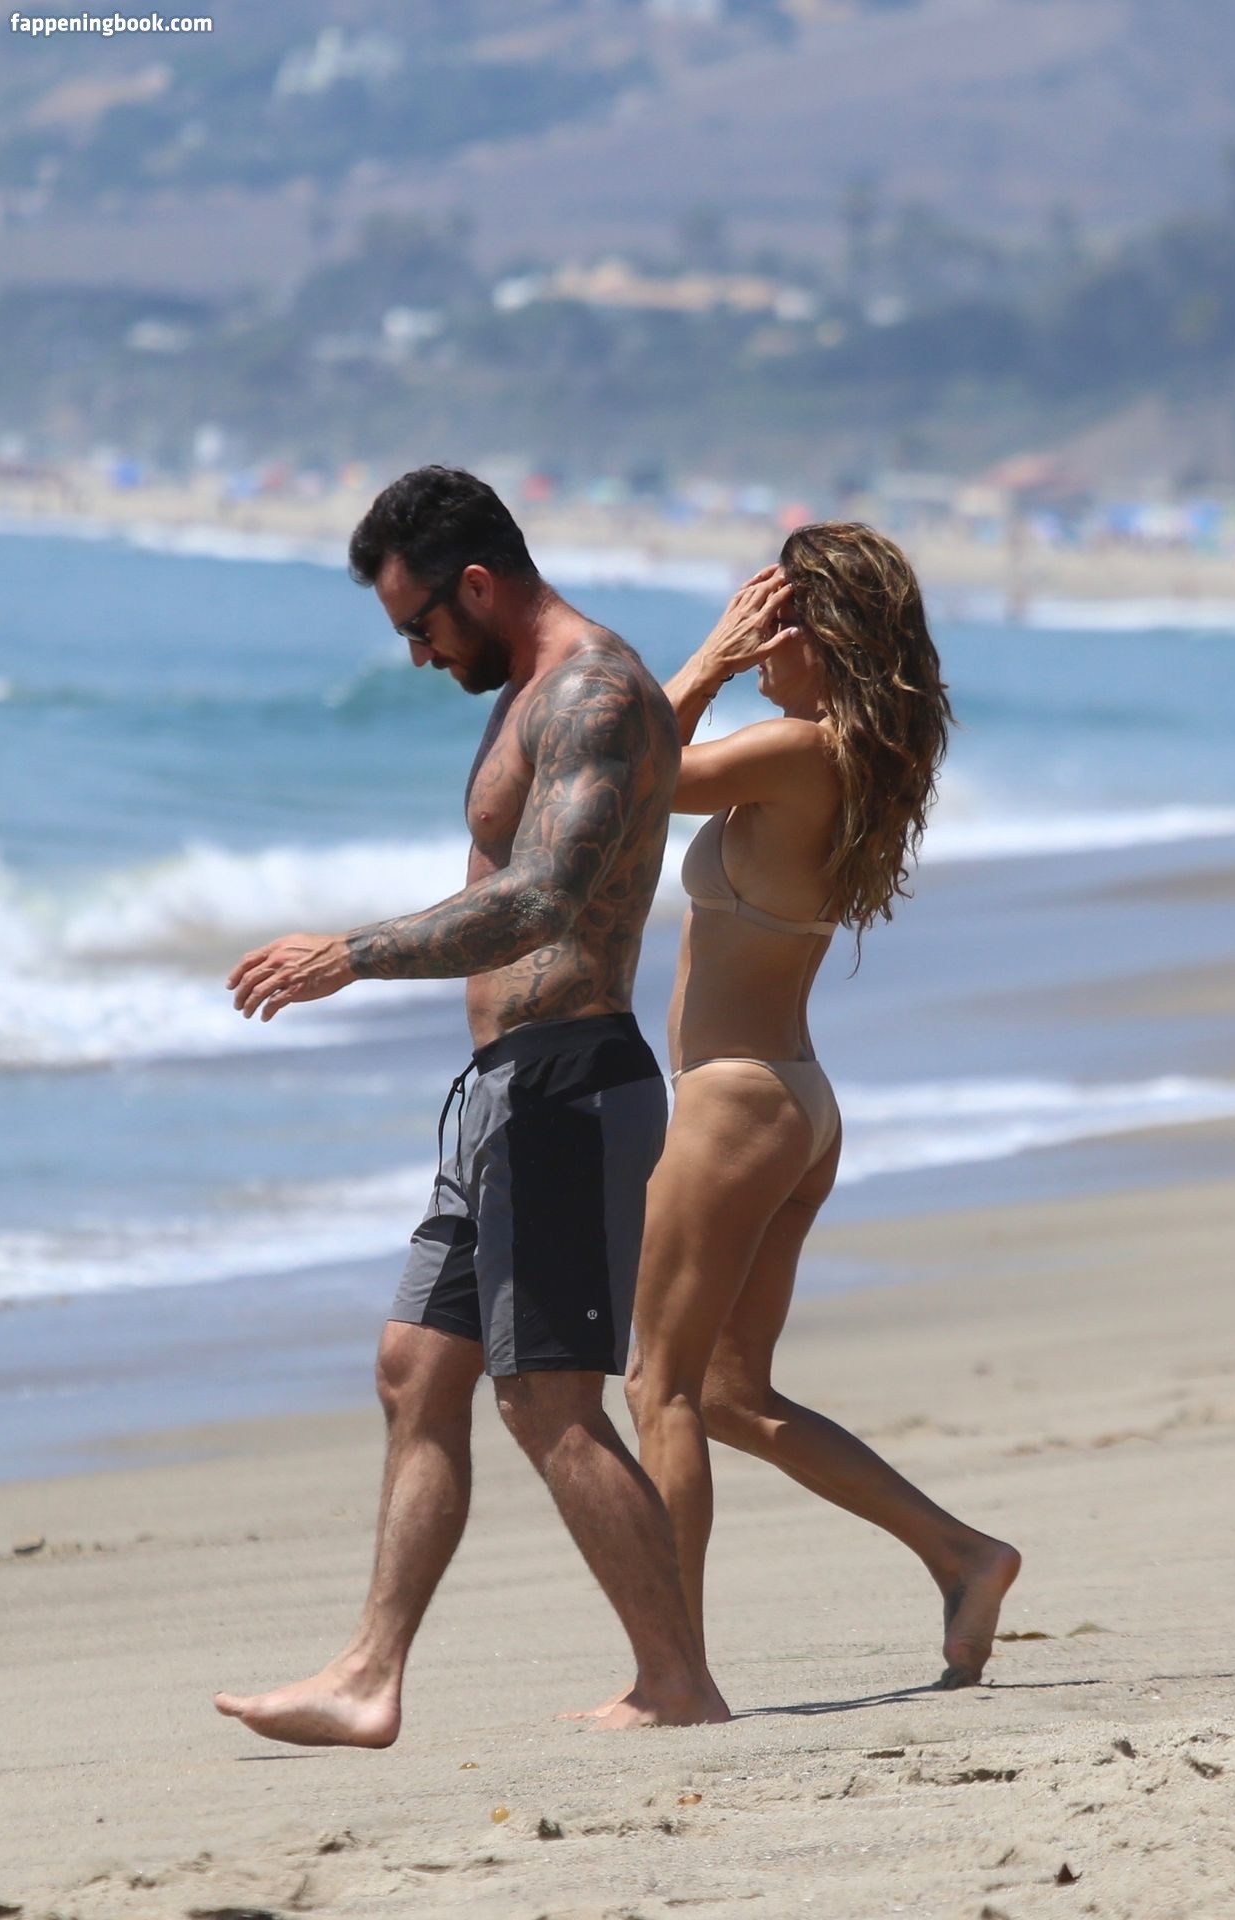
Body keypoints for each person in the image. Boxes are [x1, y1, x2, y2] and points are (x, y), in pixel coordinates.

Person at [212, 465, 728, 1743]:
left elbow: (546, 895)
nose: (415, 653)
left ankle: (677, 1683)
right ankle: (367, 1678)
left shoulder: (594, 691)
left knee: (549, 1404)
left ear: (479, 585)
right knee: (414, 1369)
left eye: (420, 624)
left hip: (568, 1088)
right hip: (503, 1094)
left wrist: (352, 954)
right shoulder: (534, 693)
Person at [616, 526, 1020, 1705]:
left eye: (774, 623)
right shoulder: (854, 756)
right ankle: (961, 1555)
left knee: (658, 1390)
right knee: (727, 1396)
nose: (758, 646)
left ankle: (670, 1680)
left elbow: (624, 778)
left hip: (735, 1105)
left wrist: (704, 657)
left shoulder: (797, 751)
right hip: (791, 1103)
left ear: (824, 635)